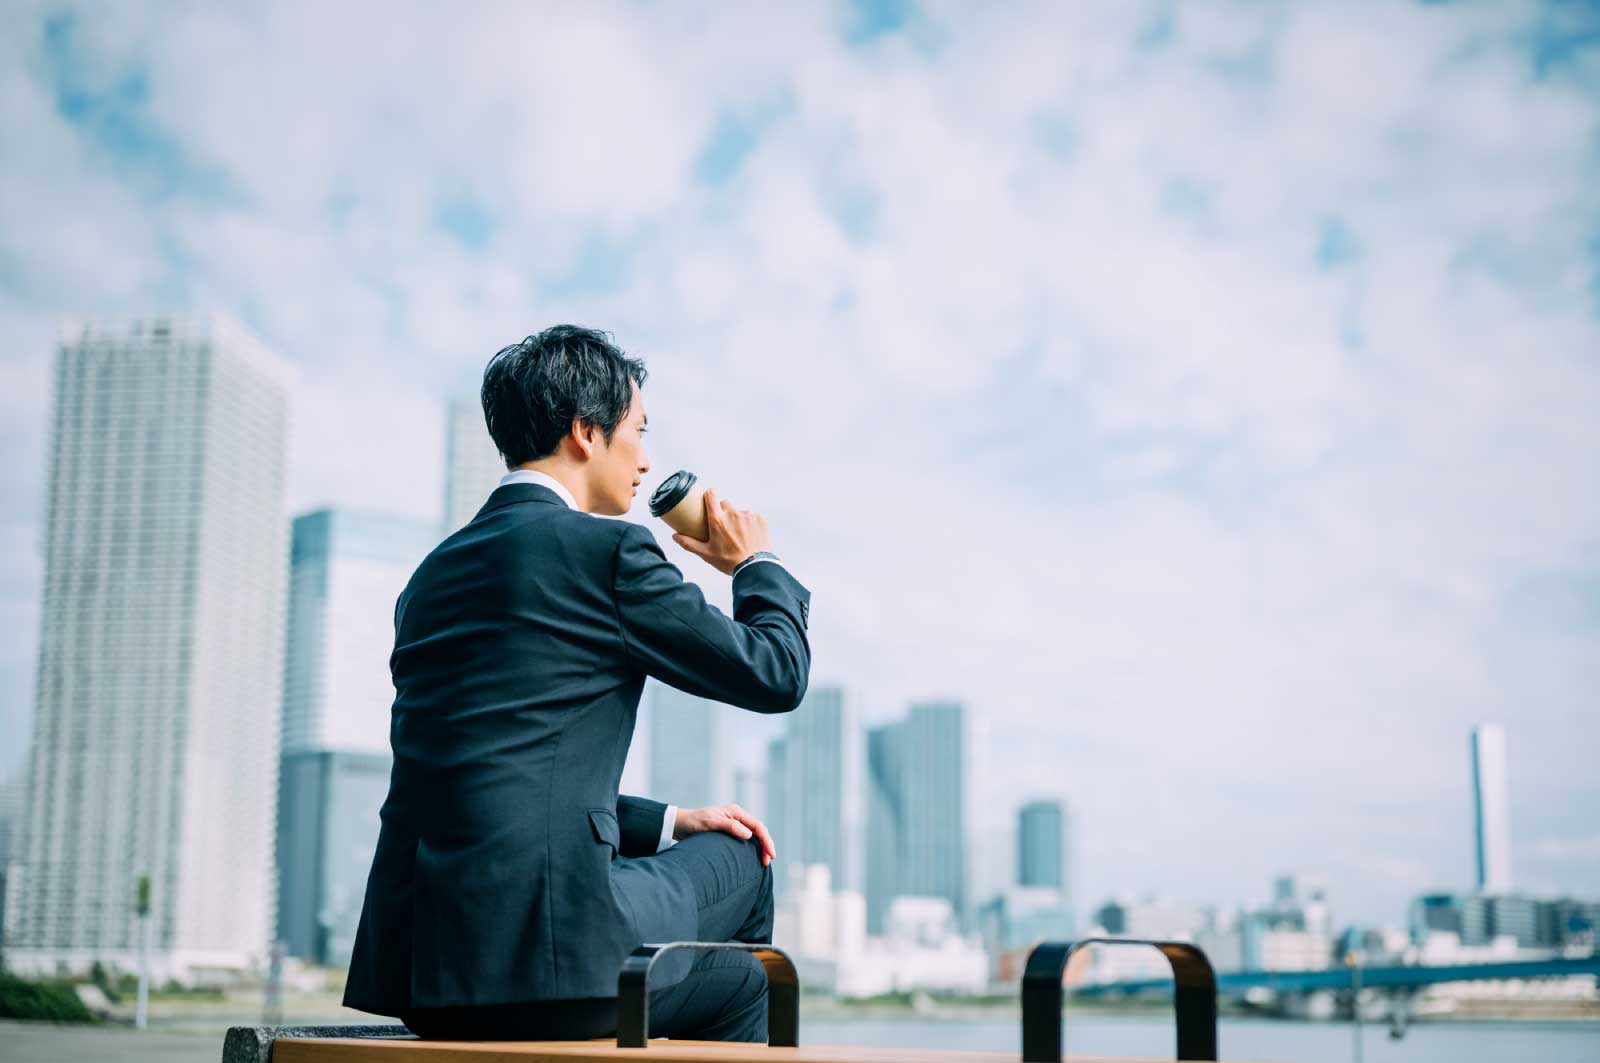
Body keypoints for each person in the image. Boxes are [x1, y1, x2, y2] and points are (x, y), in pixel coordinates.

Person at [341, 325, 812, 1042]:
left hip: (424, 974)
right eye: (638, 430)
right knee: (748, 854)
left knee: (740, 979)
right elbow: (775, 671)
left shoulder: (429, 580)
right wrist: (755, 565)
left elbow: (489, 772)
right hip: (559, 962)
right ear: (586, 432)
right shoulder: (608, 552)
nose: (646, 459)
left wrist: (670, 821)